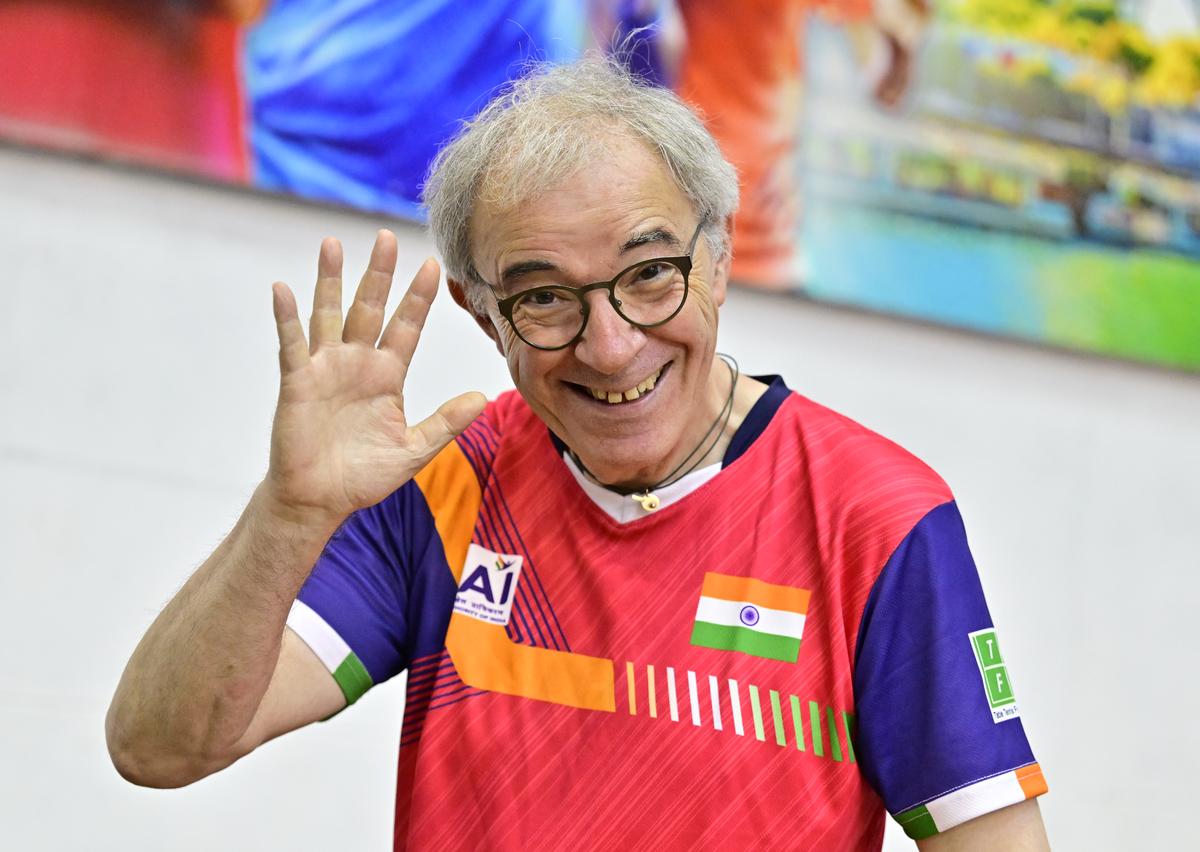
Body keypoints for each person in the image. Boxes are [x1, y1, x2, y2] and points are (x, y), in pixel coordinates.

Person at [106, 57, 1049, 849]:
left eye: (649, 275)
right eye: (546, 297)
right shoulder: (443, 485)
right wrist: (290, 513)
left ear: (718, 261)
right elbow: (160, 747)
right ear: (485, 318)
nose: (609, 346)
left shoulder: (873, 516)